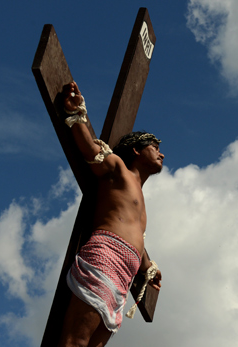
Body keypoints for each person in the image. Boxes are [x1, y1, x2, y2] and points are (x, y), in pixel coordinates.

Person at [58, 81, 163, 347]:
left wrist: (148, 266)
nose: (162, 152)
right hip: (107, 256)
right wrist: (76, 115)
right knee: (76, 342)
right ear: (137, 150)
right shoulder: (118, 168)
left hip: (125, 275)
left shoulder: (139, 198)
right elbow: (91, 151)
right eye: (154, 146)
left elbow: (136, 237)